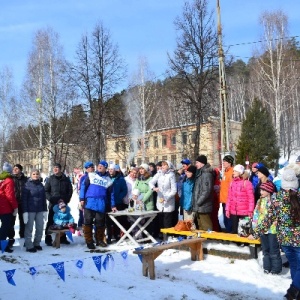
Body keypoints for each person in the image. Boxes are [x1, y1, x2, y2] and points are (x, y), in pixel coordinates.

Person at [249, 168, 300, 299]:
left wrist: (255, 232)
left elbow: (268, 219)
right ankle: (294, 290)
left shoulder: (277, 199)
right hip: (298, 240)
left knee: (295, 265)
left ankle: (297, 292)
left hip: (285, 240)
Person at [80, 160, 116, 249]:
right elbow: (83, 187)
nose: (100, 167)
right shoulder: (91, 175)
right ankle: (89, 241)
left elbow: (111, 194)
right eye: (99, 165)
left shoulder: (108, 180)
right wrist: (81, 199)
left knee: (100, 223)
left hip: (101, 203)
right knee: (88, 222)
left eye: (102, 166)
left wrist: (113, 205)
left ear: (105, 168)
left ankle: (99, 240)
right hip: (90, 202)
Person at [248, 181, 282, 274]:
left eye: (263, 190)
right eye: (260, 190)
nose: (261, 192)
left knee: (273, 250)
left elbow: (278, 215)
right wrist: (255, 227)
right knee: (265, 249)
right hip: (262, 230)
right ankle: (267, 267)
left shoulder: (275, 201)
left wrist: (277, 222)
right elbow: (256, 214)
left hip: (272, 230)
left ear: (269, 190)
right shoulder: (260, 201)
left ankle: (276, 268)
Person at [44, 163, 73, 246]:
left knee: (64, 221)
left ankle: (63, 238)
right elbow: (46, 191)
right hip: (53, 204)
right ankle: (48, 238)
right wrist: (51, 198)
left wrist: (66, 199)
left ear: (60, 169)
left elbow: (70, 190)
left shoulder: (66, 179)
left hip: (63, 204)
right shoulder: (50, 179)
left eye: (57, 168)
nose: (55, 169)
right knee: (51, 221)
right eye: (54, 168)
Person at [22, 169, 47, 253]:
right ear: (30, 175)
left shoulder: (41, 185)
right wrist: (25, 212)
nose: (35, 175)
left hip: (40, 210)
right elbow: (24, 200)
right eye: (33, 174)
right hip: (30, 210)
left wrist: (45, 210)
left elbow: (44, 199)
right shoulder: (27, 185)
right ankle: (29, 245)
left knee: (40, 227)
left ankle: (37, 243)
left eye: (37, 174)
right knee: (29, 228)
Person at [225, 164, 254, 234]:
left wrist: (250, 210)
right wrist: (227, 209)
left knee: (243, 232)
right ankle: (235, 244)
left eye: (235, 171)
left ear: (240, 172)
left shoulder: (246, 183)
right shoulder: (232, 183)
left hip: (244, 212)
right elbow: (229, 197)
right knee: (234, 230)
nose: (233, 172)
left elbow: (251, 198)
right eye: (233, 171)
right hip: (233, 212)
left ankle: (244, 244)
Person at [149, 160, 177, 229]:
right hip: (160, 200)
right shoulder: (159, 174)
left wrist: (167, 197)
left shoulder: (171, 175)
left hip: (168, 202)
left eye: (165, 165)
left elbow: (174, 190)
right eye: (162, 165)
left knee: (167, 221)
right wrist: (154, 188)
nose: (163, 166)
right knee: (160, 220)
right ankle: (162, 237)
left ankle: (168, 236)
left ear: (168, 166)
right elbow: (151, 182)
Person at [106, 163, 128, 244]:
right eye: (109, 169)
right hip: (108, 202)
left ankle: (117, 235)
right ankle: (109, 236)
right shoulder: (106, 178)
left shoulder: (121, 179)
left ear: (115, 170)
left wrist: (119, 197)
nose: (111, 171)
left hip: (118, 202)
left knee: (117, 220)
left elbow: (124, 190)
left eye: (112, 169)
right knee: (108, 221)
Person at [192, 155, 214, 231]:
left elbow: (206, 191)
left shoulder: (206, 174)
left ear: (202, 163)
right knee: (201, 227)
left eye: (197, 162)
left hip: (203, 205)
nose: (196, 164)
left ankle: (209, 242)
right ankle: (203, 242)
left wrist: (198, 202)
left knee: (206, 226)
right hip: (199, 206)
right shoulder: (201, 173)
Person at [7, 164, 28, 247]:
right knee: (11, 222)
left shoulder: (25, 179)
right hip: (13, 203)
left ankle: (23, 238)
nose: (15, 170)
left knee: (23, 222)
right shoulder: (10, 179)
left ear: (20, 170)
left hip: (22, 203)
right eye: (14, 168)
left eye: (17, 169)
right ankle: (11, 239)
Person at [0, 162, 18, 253]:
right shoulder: (9, 181)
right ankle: (2, 244)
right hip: (5, 207)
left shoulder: (1, 179)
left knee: (4, 226)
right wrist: (15, 207)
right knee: (6, 226)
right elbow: (10, 196)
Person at [219, 155, 234, 233]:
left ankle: (230, 235)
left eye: (225, 161)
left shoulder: (232, 172)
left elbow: (232, 187)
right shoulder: (225, 172)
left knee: (229, 220)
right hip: (224, 199)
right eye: (223, 161)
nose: (223, 163)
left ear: (230, 163)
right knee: (225, 220)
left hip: (229, 200)